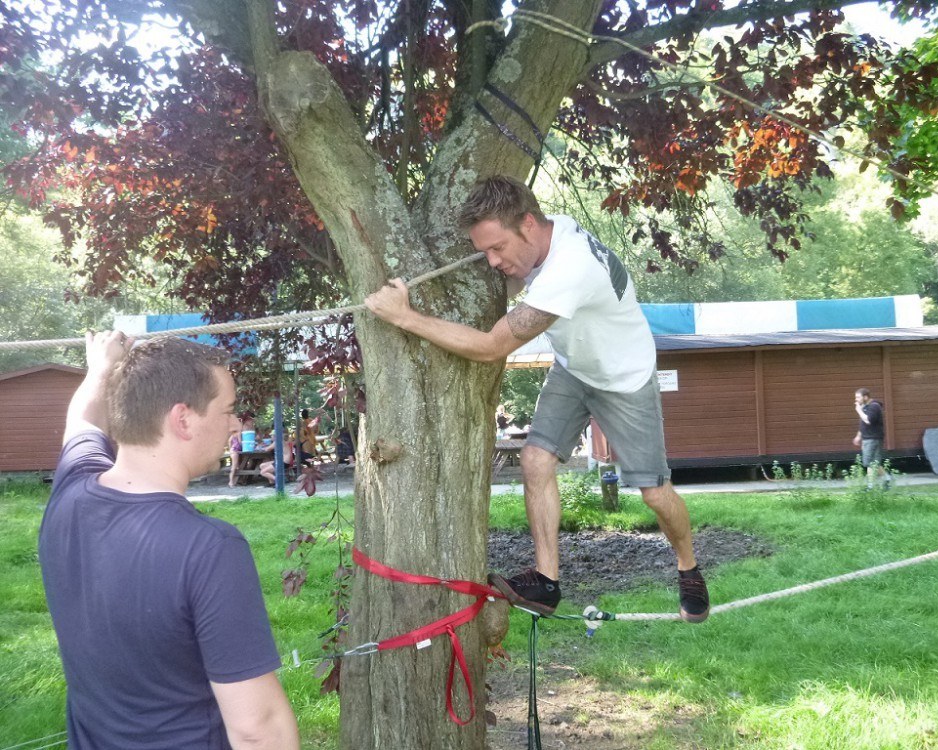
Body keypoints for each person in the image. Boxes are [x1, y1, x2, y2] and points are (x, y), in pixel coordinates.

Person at [365, 175, 709, 622]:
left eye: (497, 248)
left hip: (625, 378)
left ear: (527, 224)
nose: (491, 261)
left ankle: (689, 567)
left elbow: (491, 347)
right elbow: (515, 282)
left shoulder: (571, 268)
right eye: (484, 250)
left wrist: (405, 316)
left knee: (654, 494)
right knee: (534, 459)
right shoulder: (553, 230)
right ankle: (546, 584)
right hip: (576, 367)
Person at [38, 331, 299, 749]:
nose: (235, 424)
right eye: (228, 410)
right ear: (183, 419)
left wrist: (100, 368)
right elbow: (257, 728)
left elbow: (81, 421)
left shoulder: (69, 492)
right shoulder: (210, 548)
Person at [853, 387, 889, 489]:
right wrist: (858, 436)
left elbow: (868, 421)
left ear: (865, 397)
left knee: (869, 463)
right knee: (875, 462)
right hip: (868, 438)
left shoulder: (874, 407)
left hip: (873, 438)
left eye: (858, 397)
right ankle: (887, 480)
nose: (856, 399)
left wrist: (859, 411)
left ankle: (870, 487)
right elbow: (863, 424)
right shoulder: (865, 407)